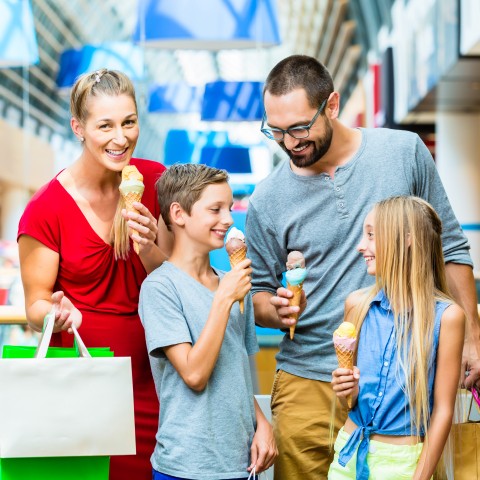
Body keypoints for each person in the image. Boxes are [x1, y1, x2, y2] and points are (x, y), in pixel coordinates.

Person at [245, 54, 479, 479]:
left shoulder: (403, 152)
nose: (289, 142)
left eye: (299, 127)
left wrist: (471, 338)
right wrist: (274, 309)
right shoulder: (268, 198)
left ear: (331, 105)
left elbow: (451, 247)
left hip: (404, 380)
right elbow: (257, 292)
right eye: (275, 131)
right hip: (308, 380)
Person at [17, 69, 172, 480]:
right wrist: (52, 311)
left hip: (163, 375)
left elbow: (180, 281)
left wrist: (150, 246)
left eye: (129, 122)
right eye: (105, 125)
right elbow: (34, 305)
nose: (120, 138)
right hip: (85, 383)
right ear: (79, 128)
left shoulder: (156, 181)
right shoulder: (46, 209)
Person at [139, 163, 277, 480]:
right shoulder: (160, 288)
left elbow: (236, 377)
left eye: (228, 208)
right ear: (178, 214)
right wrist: (224, 300)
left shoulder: (231, 282)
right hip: (185, 466)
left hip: (241, 463)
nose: (228, 219)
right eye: (215, 209)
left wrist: (263, 424)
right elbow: (194, 373)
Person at [329, 196, 464, 479]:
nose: (361, 246)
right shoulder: (357, 305)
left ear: (406, 240)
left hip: (404, 465)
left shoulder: (447, 317)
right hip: (348, 454)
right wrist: (347, 390)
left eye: (371, 236)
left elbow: (442, 411)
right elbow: (350, 402)